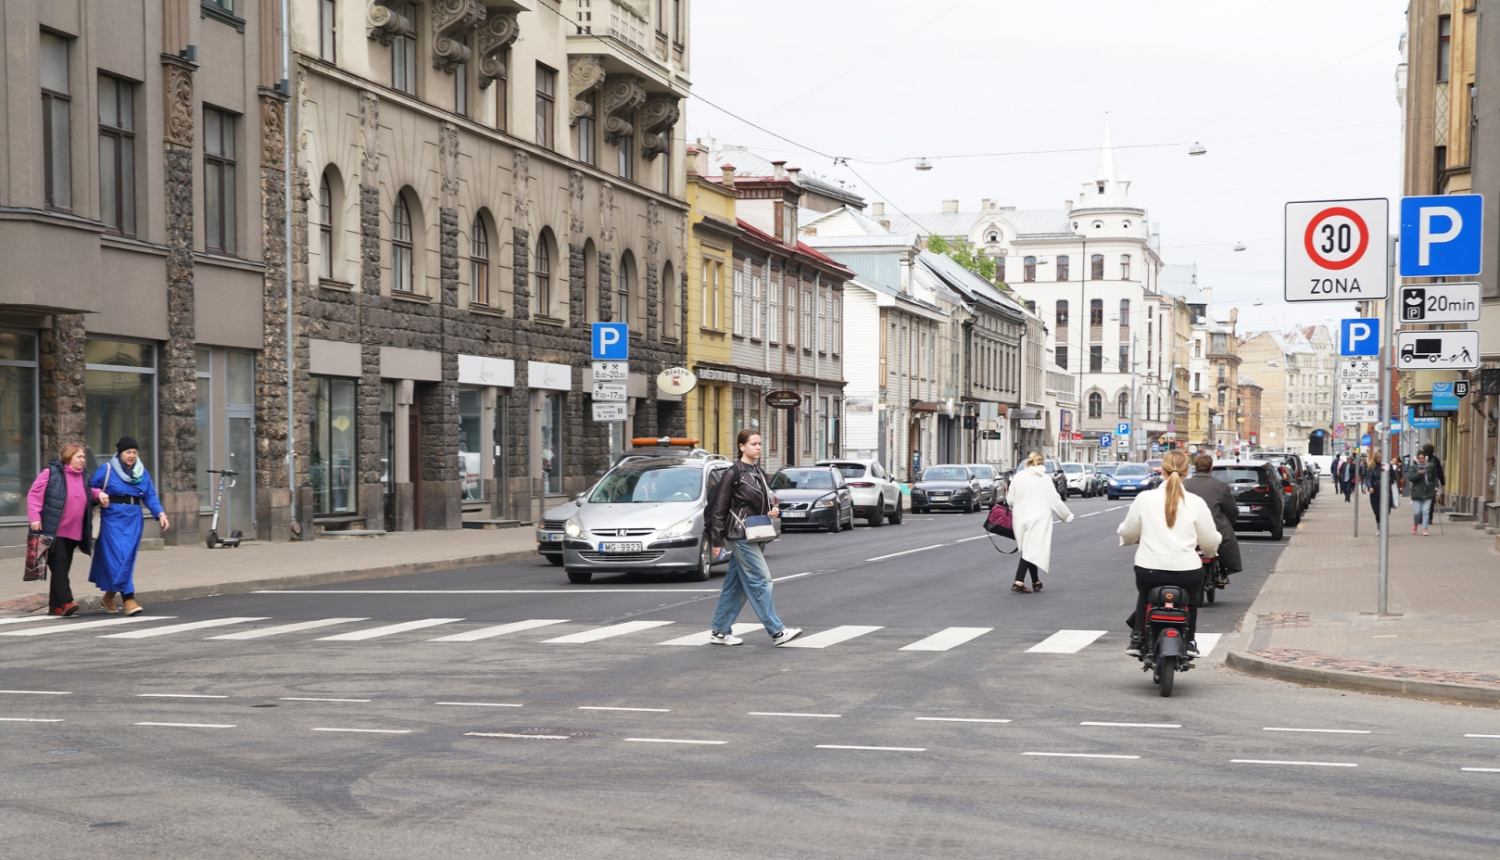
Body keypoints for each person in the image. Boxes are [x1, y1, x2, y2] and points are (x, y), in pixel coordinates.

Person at [1118, 451, 1222, 658]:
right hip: (1187, 572)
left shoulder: (1144, 498)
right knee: (1190, 601)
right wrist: (1211, 552)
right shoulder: (1196, 502)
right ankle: (1190, 640)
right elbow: (1210, 539)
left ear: (1162, 471)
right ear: (1186, 472)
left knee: (1145, 595)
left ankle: (1138, 637)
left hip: (1149, 570)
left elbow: (1127, 531)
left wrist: (1128, 541)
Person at [706, 429, 801, 646]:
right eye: (753, 444)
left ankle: (719, 631)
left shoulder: (757, 471)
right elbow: (719, 509)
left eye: (759, 443)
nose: (758, 447)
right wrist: (717, 540)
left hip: (753, 533)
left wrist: (773, 512)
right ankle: (777, 631)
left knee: (736, 585)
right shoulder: (733, 473)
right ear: (741, 447)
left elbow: (761, 504)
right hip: (739, 534)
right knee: (761, 579)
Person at [89, 437, 169, 616]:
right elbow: (90, 488)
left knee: (127, 558)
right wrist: (99, 494)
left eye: (134, 452)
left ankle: (109, 596)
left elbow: (150, 495)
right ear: (120, 453)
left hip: (133, 519)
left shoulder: (142, 473)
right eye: (128, 452)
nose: (131, 455)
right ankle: (129, 599)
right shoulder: (107, 469)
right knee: (118, 558)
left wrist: (160, 514)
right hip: (112, 518)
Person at [27, 444, 104, 616]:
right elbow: (34, 494)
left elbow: (88, 492)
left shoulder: (84, 476)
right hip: (54, 530)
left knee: (62, 568)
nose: (82, 460)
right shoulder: (51, 473)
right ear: (69, 457)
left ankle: (55, 606)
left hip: (74, 531)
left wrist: (98, 494)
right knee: (60, 566)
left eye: (84, 457)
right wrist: (34, 517)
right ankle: (67, 601)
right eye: (79, 457)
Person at [1005, 451, 1075, 593]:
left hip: (1021, 518)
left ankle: (1036, 581)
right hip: (1039, 519)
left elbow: (1010, 501)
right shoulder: (1045, 480)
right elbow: (1055, 500)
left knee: (1029, 548)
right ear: (1042, 463)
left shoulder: (1018, 477)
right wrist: (1067, 516)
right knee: (1031, 549)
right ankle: (1018, 581)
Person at [1184, 453, 1242, 576]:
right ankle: (1225, 571)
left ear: (1195, 467)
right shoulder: (1221, 486)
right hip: (1215, 528)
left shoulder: (1184, 485)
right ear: (1211, 468)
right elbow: (1232, 510)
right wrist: (1229, 523)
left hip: (1189, 528)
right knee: (1227, 542)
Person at [1406, 450, 1439, 535]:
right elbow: (1411, 478)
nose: (1421, 460)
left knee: (1426, 511)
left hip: (1428, 491)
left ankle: (1425, 529)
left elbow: (1435, 477)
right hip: (1417, 492)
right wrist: (1419, 474)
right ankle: (1415, 524)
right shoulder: (1414, 467)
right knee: (1417, 512)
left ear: (1425, 458)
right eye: (1419, 458)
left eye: (1422, 458)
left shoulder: (1431, 466)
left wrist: (1436, 486)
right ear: (1417, 459)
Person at [1363, 450, 1390, 528]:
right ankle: (1379, 525)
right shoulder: (1371, 467)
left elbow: (1391, 477)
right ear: (1375, 458)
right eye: (1378, 457)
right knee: (1377, 510)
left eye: (1381, 457)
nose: (1379, 459)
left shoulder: (1386, 465)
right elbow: (1368, 478)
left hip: (1385, 490)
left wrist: (1388, 481)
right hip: (1375, 490)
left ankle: (1384, 525)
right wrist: (1370, 487)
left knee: (1385, 509)